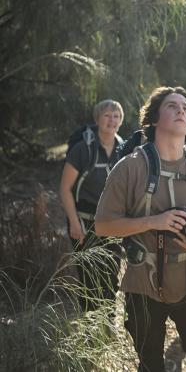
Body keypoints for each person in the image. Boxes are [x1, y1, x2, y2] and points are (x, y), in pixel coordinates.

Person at [95, 86, 186, 372]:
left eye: (185, 108)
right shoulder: (130, 167)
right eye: (172, 106)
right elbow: (103, 225)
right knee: (150, 364)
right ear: (154, 119)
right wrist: (153, 222)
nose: (181, 110)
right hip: (142, 282)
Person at [59, 99, 124, 312]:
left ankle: (108, 322)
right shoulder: (82, 150)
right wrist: (74, 223)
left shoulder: (123, 149)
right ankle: (90, 329)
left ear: (121, 120)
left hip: (113, 223)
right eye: (107, 115)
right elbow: (65, 188)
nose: (111, 120)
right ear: (97, 119)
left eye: (116, 116)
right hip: (84, 222)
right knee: (88, 276)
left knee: (111, 273)